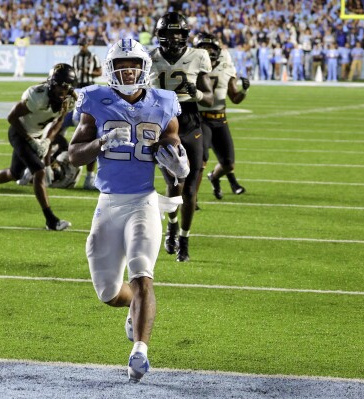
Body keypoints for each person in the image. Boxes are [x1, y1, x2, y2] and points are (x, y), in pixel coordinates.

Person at [68, 38, 186, 383]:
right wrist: (100, 143)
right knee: (108, 292)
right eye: (121, 66)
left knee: (142, 276)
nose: (128, 70)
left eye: (133, 64)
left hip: (143, 202)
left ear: (144, 67)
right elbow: (74, 154)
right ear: (110, 69)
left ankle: (140, 351)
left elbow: (174, 151)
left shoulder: (164, 102)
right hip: (107, 204)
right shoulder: (95, 100)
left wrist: (180, 170)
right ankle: (135, 309)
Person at [0, 63, 76, 231]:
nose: (62, 90)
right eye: (59, 84)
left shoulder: (69, 100)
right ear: (51, 83)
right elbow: (12, 117)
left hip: (37, 135)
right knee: (39, 171)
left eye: (66, 86)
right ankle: (51, 220)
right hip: (19, 133)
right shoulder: (37, 96)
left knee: (14, 173)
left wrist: (47, 140)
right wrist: (31, 140)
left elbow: (59, 121)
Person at [149, 12, 214, 262]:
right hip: (163, 122)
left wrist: (196, 93)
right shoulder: (151, 58)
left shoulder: (198, 55)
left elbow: (209, 97)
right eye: (169, 32)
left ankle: (184, 239)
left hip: (189, 121)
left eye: (179, 32)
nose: (175, 37)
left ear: (185, 34)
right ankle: (172, 225)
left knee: (190, 187)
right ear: (161, 35)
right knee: (173, 183)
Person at [193, 33, 249, 200]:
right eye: (204, 47)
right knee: (201, 161)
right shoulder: (191, 65)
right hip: (200, 118)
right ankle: (191, 198)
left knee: (228, 164)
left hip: (220, 118)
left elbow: (235, 98)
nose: (208, 51)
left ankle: (214, 177)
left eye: (211, 48)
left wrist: (244, 90)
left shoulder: (226, 64)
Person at [71, 37, 103, 190]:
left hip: (89, 91)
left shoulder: (93, 57)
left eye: (83, 44)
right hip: (77, 91)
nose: (82, 47)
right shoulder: (75, 57)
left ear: (88, 44)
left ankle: (89, 177)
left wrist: (88, 72)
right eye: (80, 44)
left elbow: (99, 72)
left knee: (88, 131)